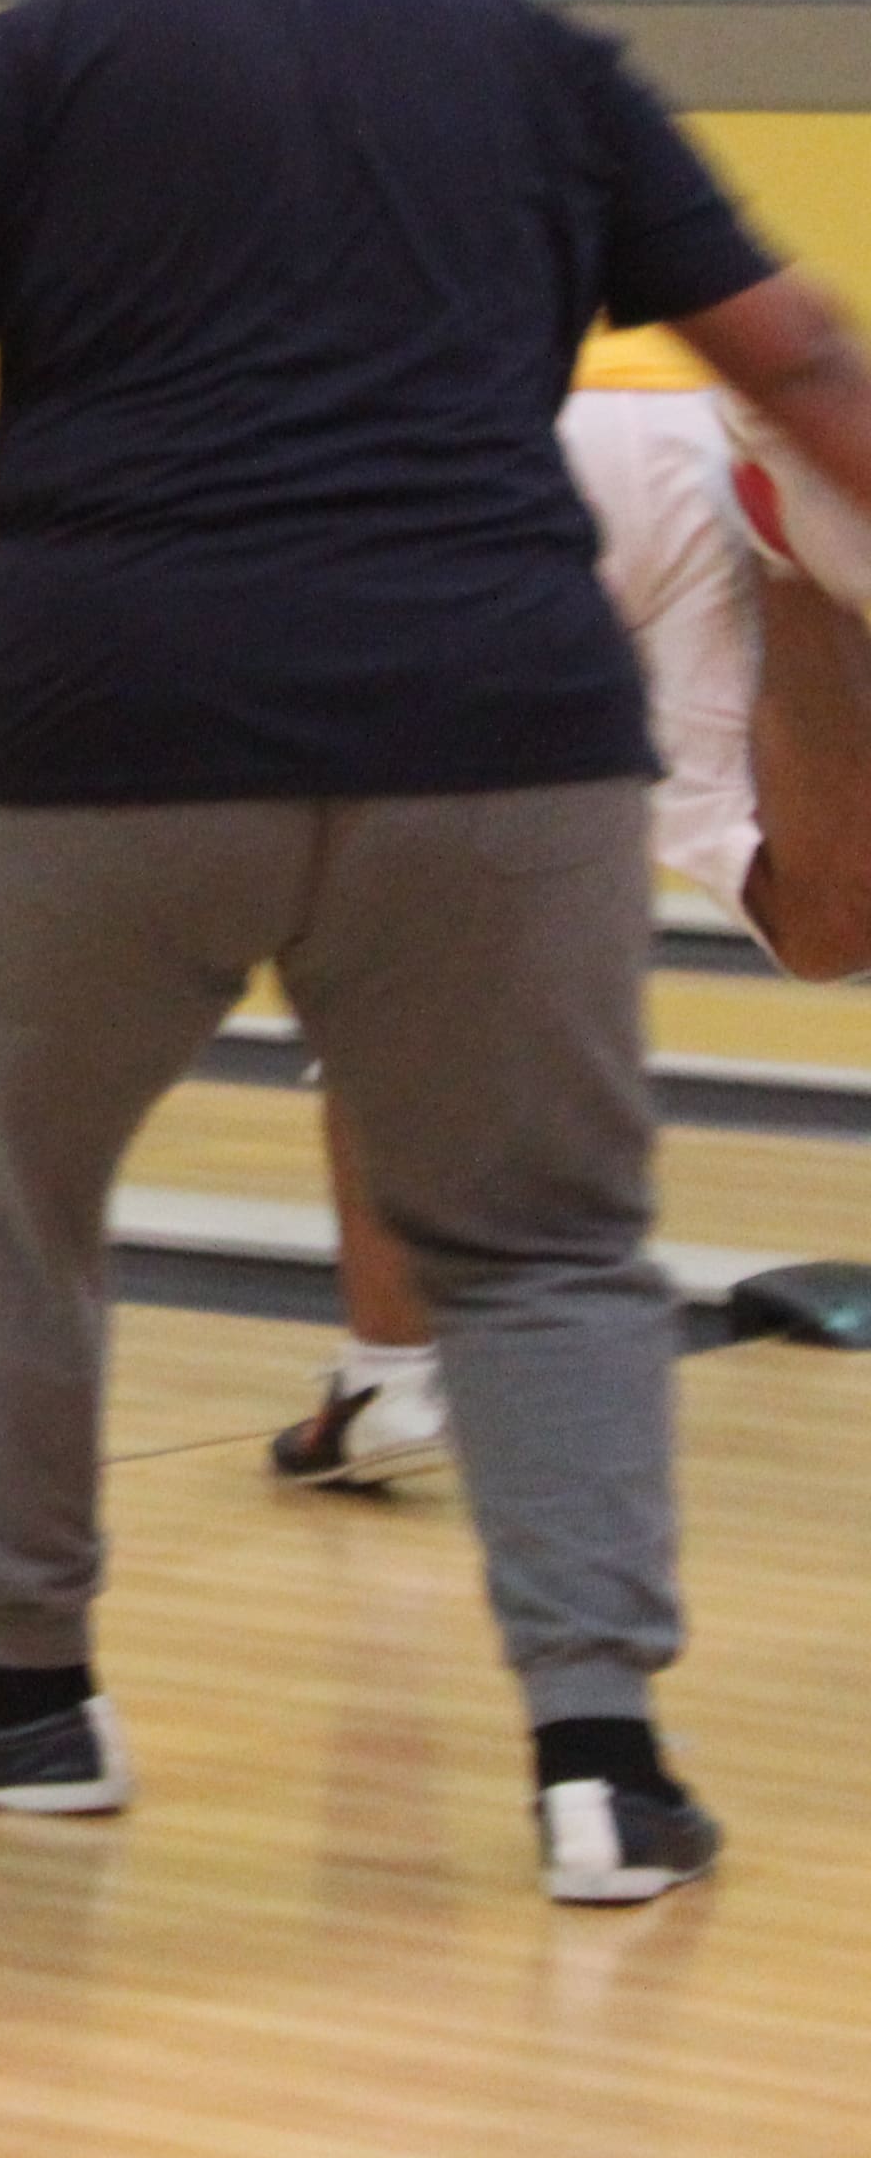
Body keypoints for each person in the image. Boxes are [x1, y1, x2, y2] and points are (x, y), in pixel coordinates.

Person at [0, 0, 871, 1907]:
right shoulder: (533, 55)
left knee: (3, 1201)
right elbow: (801, 359)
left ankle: (19, 1703)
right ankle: (601, 1767)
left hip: (99, 724)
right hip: (493, 724)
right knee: (544, 1245)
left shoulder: (44, 54)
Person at [277, 329, 871, 1486]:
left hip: (461, 442)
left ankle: (390, 1381)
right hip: (696, 427)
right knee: (825, 921)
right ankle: (791, 551)